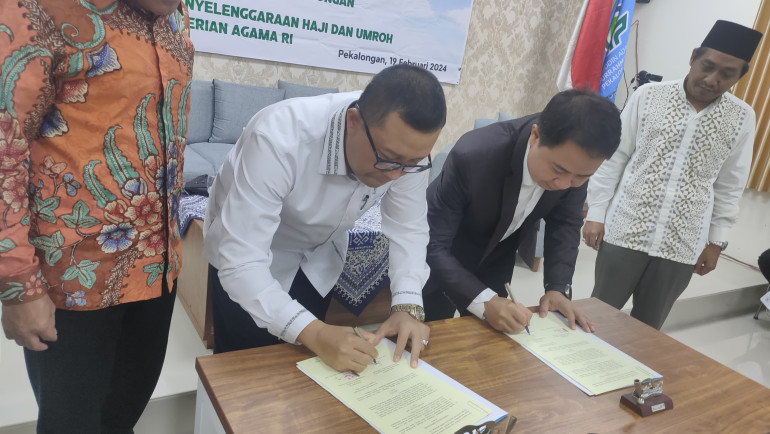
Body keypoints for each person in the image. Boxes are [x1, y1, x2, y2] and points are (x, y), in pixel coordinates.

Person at [0, 0, 193, 432]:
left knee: (121, 418)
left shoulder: (177, 16)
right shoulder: (41, 6)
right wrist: (17, 286)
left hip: (157, 272)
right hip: (73, 283)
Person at [203, 64, 446, 372]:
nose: (397, 175)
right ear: (353, 122)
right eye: (388, 160)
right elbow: (242, 262)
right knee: (242, 367)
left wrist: (407, 306)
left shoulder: (403, 152)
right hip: (250, 262)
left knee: (304, 367)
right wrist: (316, 333)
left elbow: (408, 227)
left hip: (318, 257)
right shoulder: (278, 138)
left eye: (412, 163)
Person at [583, 20, 763, 329]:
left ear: (740, 76)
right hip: (626, 228)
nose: (712, 79)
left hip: (683, 242)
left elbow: (730, 184)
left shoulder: (742, 117)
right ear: (693, 57)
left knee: (648, 329)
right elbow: (614, 157)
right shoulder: (648, 96)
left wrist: (716, 242)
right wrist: (596, 213)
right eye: (707, 66)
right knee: (597, 315)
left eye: (727, 74)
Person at [422, 89, 622, 333]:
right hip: (441, 256)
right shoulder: (474, 156)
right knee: (431, 331)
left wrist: (557, 288)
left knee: (491, 337)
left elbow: (565, 223)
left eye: (581, 176)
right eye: (557, 170)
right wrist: (483, 301)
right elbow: (433, 243)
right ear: (535, 136)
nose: (564, 184)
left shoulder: (573, 166)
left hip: (497, 254)